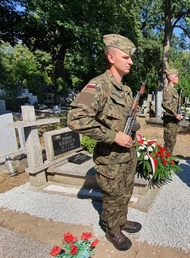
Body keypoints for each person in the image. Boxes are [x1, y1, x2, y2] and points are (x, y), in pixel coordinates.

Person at [67, 34, 141, 251]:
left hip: (127, 153)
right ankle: (112, 230)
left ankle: (121, 220)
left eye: (130, 58)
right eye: (126, 57)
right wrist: (113, 136)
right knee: (112, 195)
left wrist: (133, 126)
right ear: (111, 57)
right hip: (110, 156)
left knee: (125, 191)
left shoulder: (125, 90)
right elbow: (75, 119)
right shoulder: (98, 85)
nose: (131, 62)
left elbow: (123, 117)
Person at [162, 68, 182, 154]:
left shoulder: (174, 90)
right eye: (176, 76)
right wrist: (175, 114)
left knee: (172, 142)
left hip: (174, 121)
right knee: (169, 143)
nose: (178, 78)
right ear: (170, 78)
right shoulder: (168, 89)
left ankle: (168, 161)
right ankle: (165, 162)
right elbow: (165, 104)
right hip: (170, 120)